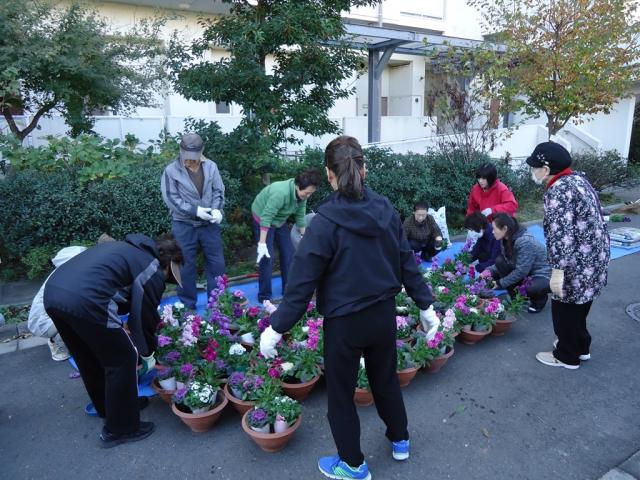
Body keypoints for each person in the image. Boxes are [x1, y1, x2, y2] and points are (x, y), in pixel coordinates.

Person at [259, 136, 440, 480]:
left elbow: (302, 282)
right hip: (383, 314)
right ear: (364, 168)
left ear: (329, 175)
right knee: (384, 379)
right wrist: (425, 306)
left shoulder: (324, 222)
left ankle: (353, 465)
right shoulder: (386, 209)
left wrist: (276, 327)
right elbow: (407, 264)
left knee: (340, 394)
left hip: (345, 322)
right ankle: (399, 439)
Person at [43, 234, 183, 447]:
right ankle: (120, 430)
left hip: (54, 293)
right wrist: (146, 353)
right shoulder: (151, 268)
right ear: (169, 265)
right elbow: (143, 318)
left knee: (88, 356)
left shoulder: (129, 249)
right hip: (86, 299)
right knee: (123, 358)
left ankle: (109, 408)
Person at [527, 141, 610, 369]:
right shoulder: (578, 180)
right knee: (581, 304)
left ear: (546, 168)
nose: (533, 171)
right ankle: (580, 346)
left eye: (535, 166)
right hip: (595, 257)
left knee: (565, 308)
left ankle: (566, 355)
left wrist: (557, 271)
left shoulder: (558, 191)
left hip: (575, 261)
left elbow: (560, 235)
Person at [161, 132, 225, 310]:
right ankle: (188, 306)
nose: (190, 160)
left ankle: (217, 305)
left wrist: (216, 210)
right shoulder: (171, 171)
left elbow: (218, 191)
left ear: (201, 151)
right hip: (183, 225)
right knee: (185, 266)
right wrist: (195, 211)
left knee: (216, 264)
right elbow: (171, 199)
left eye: (193, 157)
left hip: (209, 225)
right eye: (187, 156)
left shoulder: (211, 167)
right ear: (181, 151)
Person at [251, 169, 322, 302]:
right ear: (297, 186)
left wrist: (305, 238)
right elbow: (266, 218)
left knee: (289, 253)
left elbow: (300, 217)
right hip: (262, 217)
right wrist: (262, 244)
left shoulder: (302, 196)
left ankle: (288, 291)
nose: (308, 196)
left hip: (279, 220)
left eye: (310, 194)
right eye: (306, 193)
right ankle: (264, 296)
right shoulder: (280, 193)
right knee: (267, 257)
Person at [28, 246, 87, 361]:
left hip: (48, 317)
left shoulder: (64, 273)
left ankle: (63, 337)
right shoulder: (65, 278)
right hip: (43, 324)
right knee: (78, 314)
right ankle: (56, 343)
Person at [485, 213, 551, 313]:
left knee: (530, 287)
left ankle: (539, 300)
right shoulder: (505, 239)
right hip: (526, 270)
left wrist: (500, 283)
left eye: (494, 229)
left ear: (504, 228)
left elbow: (521, 271)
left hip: (543, 273)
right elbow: (507, 261)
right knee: (500, 261)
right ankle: (515, 296)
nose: (492, 232)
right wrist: (487, 272)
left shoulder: (524, 241)